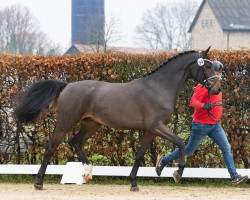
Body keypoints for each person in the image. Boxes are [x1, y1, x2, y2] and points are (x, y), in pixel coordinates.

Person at [155, 61, 248, 186]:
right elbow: (193, 102)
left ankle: (234, 177)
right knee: (188, 150)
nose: (219, 76)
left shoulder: (217, 85)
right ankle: (163, 160)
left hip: (214, 125)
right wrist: (204, 106)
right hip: (201, 125)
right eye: (217, 73)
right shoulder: (204, 85)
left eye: (221, 73)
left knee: (226, 148)